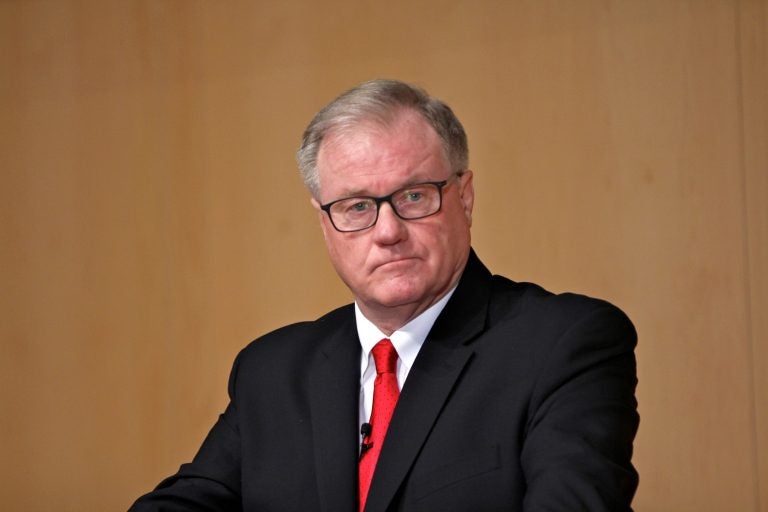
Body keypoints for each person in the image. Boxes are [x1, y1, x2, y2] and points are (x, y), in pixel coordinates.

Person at [130, 79, 639, 511]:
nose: (388, 231)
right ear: (325, 224)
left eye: (413, 196)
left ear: (464, 197)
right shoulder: (272, 370)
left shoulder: (564, 344)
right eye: (355, 207)